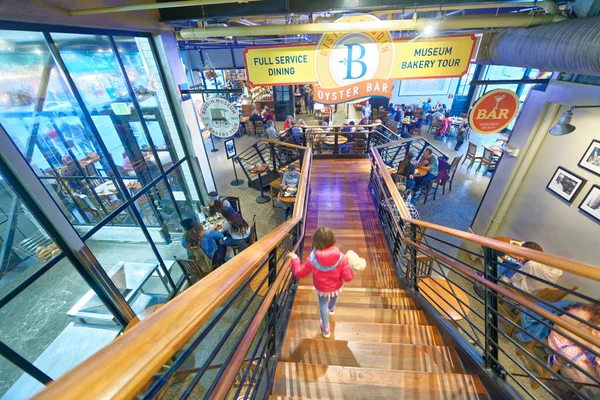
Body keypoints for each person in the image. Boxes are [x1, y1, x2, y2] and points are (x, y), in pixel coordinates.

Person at [289, 227, 354, 338]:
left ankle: (326, 328)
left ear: (315, 242)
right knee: (334, 296)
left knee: (322, 305)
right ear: (332, 240)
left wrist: (295, 259)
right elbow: (348, 277)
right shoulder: (342, 258)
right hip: (336, 286)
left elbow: (299, 273)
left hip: (322, 289)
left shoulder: (312, 260)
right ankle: (332, 308)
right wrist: (350, 266)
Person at [547, 303, 600, 388]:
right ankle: (555, 362)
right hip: (563, 339)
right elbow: (559, 324)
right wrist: (588, 344)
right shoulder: (583, 314)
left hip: (582, 346)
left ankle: (558, 364)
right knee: (590, 383)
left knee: (595, 383)